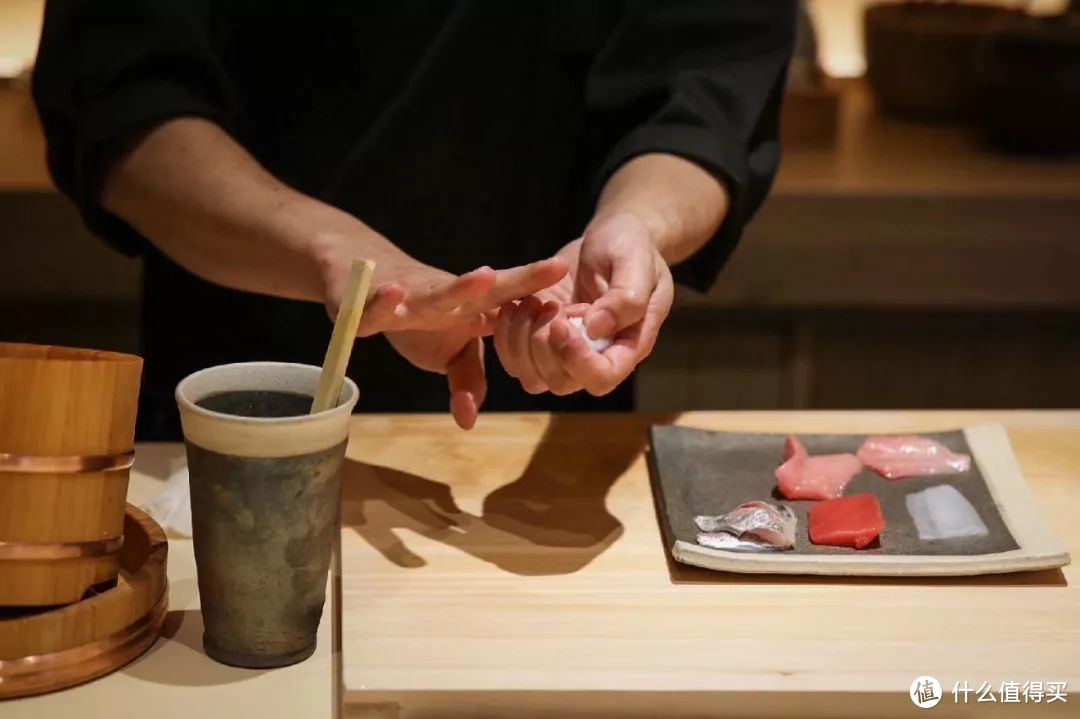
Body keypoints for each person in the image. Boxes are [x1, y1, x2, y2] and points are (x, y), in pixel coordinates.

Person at [33, 1, 795, 440]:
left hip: (556, 406)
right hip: (235, 406)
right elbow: (119, 93)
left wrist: (638, 224)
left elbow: (709, 81)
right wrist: (344, 259)